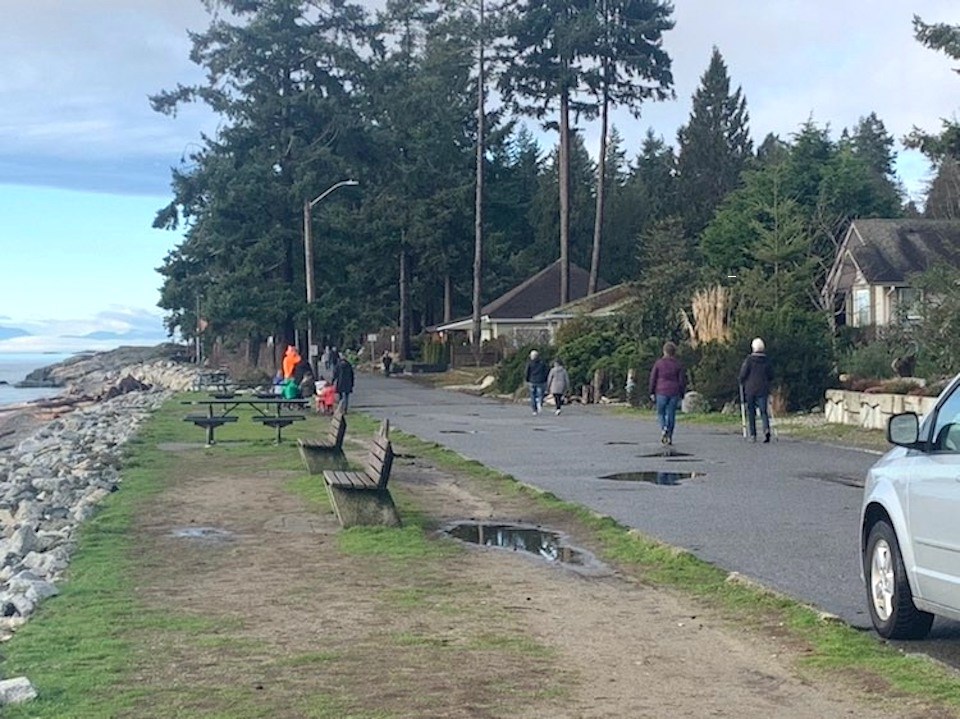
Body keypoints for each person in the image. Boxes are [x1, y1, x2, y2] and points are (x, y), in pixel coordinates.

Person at [648, 341, 686, 445]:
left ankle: (664, 428)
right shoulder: (678, 365)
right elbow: (682, 381)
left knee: (661, 413)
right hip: (674, 392)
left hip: (661, 391)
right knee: (671, 414)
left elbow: (653, 378)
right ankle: (669, 435)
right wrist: (682, 393)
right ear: (674, 352)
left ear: (664, 351)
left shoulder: (658, 363)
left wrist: (651, 391)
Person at [739, 337, 774, 443]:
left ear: (753, 348)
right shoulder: (766, 360)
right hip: (763, 388)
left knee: (751, 412)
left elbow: (743, 373)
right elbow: (771, 375)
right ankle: (766, 429)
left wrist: (741, 380)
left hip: (751, 389)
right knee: (764, 411)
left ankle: (753, 434)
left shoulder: (749, 360)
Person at [524, 349, 548, 415]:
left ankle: (534, 410)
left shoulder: (529, 363)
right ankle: (539, 405)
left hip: (532, 381)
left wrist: (527, 379)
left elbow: (527, 372)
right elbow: (546, 371)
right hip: (540, 381)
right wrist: (545, 379)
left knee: (533, 396)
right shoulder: (542, 363)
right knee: (540, 395)